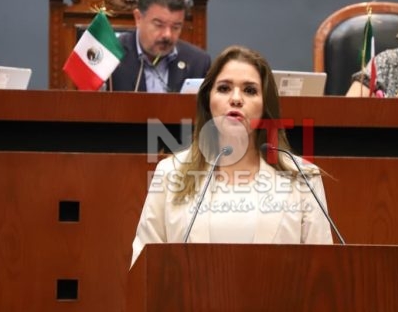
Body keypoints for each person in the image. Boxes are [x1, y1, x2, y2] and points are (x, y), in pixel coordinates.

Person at [131, 45, 333, 265]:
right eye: (224, 88)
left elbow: (320, 269)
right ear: (208, 100)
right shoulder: (170, 173)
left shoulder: (303, 177)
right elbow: (144, 264)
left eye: (250, 90)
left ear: (265, 105)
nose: (236, 99)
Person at [110, 0, 210, 92]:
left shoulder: (198, 63)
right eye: (159, 25)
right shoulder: (109, 55)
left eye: (176, 27)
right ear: (138, 18)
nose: (167, 35)